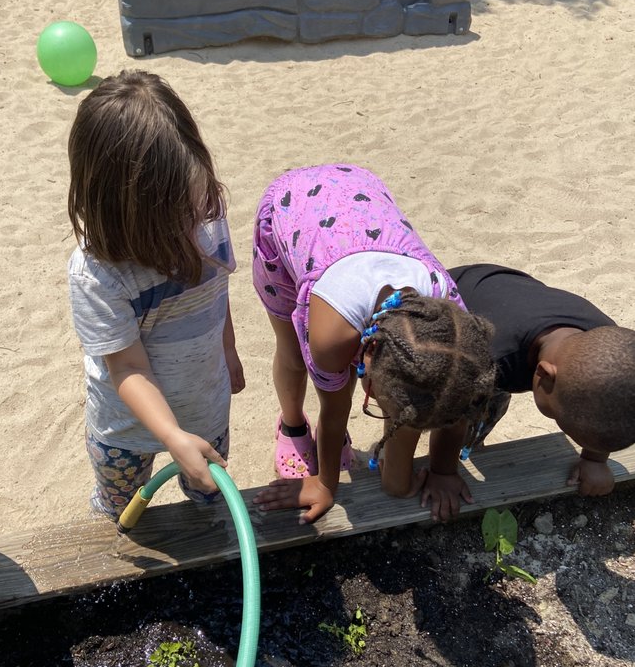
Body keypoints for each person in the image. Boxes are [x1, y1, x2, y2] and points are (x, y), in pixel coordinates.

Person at [251, 163, 496, 525]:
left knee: (419, 388)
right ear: (366, 357)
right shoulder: (330, 338)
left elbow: (451, 407)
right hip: (292, 212)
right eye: (382, 405)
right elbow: (334, 413)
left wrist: (442, 471)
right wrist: (325, 483)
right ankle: (292, 425)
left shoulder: (454, 326)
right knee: (292, 355)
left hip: (362, 200)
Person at [67, 69, 245, 522]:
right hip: (125, 429)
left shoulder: (208, 215)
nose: (198, 219)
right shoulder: (99, 276)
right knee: (119, 512)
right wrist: (170, 435)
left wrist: (229, 351)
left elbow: (217, 293)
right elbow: (126, 366)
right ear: (127, 211)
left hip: (205, 404)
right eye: (179, 212)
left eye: (201, 198)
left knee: (209, 502)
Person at [450, 263, 635, 496]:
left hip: (508, 294)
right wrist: (442, 473)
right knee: (460, 408)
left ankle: (473, 443)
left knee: (490, 409)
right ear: (544, 376)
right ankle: (465, 444)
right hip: (456, 295)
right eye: (558, 417)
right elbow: (451, 416)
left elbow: (608, 411)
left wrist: (595, 459)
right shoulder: (488, 358)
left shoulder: (609, 349)